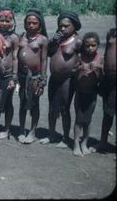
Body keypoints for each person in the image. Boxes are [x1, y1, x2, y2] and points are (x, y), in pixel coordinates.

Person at [40, 12, 82, 148]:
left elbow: (84, 58)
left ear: (74, 26)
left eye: (66, 26)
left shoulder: (77, 41)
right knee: (52, 107)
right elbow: (49, 53)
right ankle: (51, 134)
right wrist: (53, 41)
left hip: (67, 80)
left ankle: (65, 138)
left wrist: (78, 70)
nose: (62, 29)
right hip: (54, 78)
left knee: (65, 109)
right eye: (60, 26)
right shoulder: (58, 39)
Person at [17, 9, 48, 144]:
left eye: (34, 23)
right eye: (28, 23)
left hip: (35, 77)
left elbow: (44, 60)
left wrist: (43, 79)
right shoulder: (21, 37)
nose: (31, 25)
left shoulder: (42, 40)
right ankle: (21, 130)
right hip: (22, 76)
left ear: (39, 24)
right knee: (22, 103)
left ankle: (32, 132)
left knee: (34, 104)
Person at [73, 32, 103, 157]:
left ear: (98, 46)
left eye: (93, 45)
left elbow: (102, 79)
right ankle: (76, 144)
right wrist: (79, 69)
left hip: (92, 93)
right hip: (80, 92)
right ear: (83, 46)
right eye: (87, 46)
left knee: (88, 120)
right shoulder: (80, 57)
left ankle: (84, 142)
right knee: (79, 120)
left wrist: (99, 69)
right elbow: (73, 71)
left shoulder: (100, 59)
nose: (90, 48)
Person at [0, 8, 19, 140]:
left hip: (8, 74)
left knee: (8, 101)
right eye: (1, 20)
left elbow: (15, 57)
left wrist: (14, 77)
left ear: (13, 22)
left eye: (7, 21)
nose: (4, 23)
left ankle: (7, 129)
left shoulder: (14, 37)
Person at [94, 27, 116, 153]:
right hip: (109, 80)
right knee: (107, 112)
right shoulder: (111, 33)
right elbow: (107, 52)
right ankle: (103, 141)